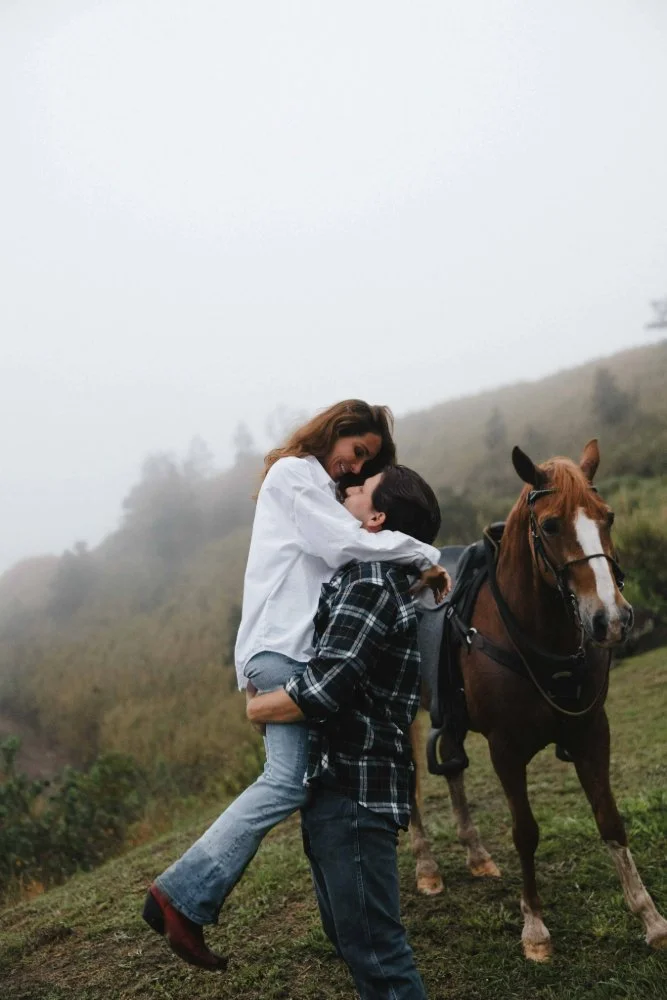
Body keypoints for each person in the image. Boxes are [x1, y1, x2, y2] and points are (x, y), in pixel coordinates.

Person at [143, 400, 448, 970]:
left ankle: (184, 897)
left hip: (291, 647)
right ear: (336, 430)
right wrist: (427, 553)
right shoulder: (294, 476)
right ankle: (180, 895)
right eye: (356, 452)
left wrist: (419, 568)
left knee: (297, 781)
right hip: (284, 647)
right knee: (286, 781)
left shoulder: (323, 492)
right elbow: (348, 546)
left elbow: (360, 565)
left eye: (365, 465)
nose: (353, 468)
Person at [247, 465, 441, 1000]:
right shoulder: (362, 576)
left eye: (358, 490)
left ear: (375, 518)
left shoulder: (371, 584)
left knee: (378, 956)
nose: (346, 491)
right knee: (352, 941)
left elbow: (321, 689)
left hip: (355, 795)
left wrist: (257, 707)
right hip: (337, 788)